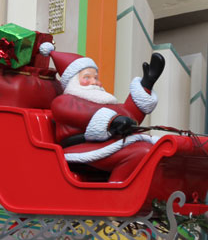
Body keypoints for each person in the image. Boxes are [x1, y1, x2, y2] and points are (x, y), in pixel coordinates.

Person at [40, 42, 166, 180]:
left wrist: (146, 85)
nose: (95, 82)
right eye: (87, 77)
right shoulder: (63, 101)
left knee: (155, 151)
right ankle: (116, 194)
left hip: (103, 144)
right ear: (73, 82)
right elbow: (84, 114)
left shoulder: (102, 102)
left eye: (96, 78)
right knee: (142, 152)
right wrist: (113, 121)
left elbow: (128, 113)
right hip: (80, 148)